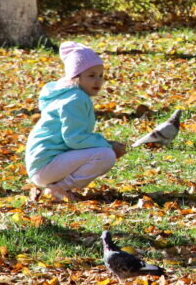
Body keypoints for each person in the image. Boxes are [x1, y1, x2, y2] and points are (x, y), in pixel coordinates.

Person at [25, 42, 126, 202]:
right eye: (91, 76)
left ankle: (57, 187)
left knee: (104, 151)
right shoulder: (75, 99)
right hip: (45, 165)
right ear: (75, 77)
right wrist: (108, 145)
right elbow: (75, 139)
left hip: (43, 164)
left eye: (101, 75)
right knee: (106, 155)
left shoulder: (70, 95)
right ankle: (58, 189)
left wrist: (105, 142)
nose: (98, 81)